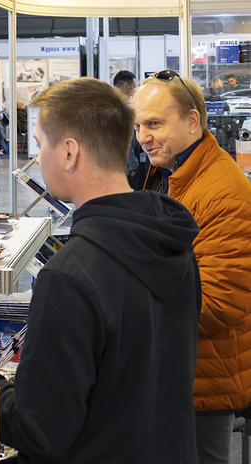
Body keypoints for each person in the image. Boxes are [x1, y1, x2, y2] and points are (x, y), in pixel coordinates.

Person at [0, 77, 202, 463]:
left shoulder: (70, 276)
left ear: (68, 152)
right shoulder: (171, 238)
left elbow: (38, 431)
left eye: (41, 145)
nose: (39, 158)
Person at [132, 69, 251, 464]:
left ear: (192, 121)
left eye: (153, 124)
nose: (142, 137)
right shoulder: (169, 172)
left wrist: (128, 305)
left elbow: (218, 305)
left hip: (205, 379)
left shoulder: (225, 192)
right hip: (175, 367)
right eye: (137, 126)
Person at [113, 70, 143, 189]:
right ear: (126, 86)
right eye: (133, 86)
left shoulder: (109, 104)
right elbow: (124, 140)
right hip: (126, 168)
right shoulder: (121, 108)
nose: (134, 90)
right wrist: (133, 165)